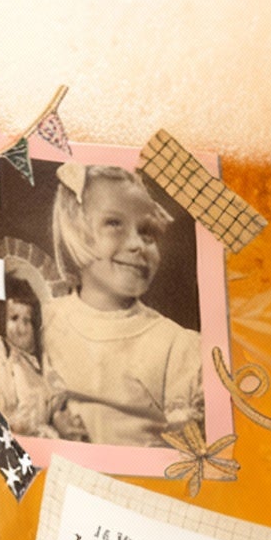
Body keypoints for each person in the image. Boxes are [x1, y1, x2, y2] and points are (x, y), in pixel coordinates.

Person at [41, 163, 202, 447]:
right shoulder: (47, 319)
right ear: (76, 229)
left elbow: (189, 448)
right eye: (114, 224)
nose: (137, 244)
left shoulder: (174, 345)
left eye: (147, 232)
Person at [0, 282, 72, 438]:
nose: (21, 328)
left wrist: (58, 418)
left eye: (27, 320)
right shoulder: (2, 348)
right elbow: (2, 405)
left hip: (43, 435)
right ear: (3, 320)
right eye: (14, 318)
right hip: (16, 437)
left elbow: (55, 397)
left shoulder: (38, 360)